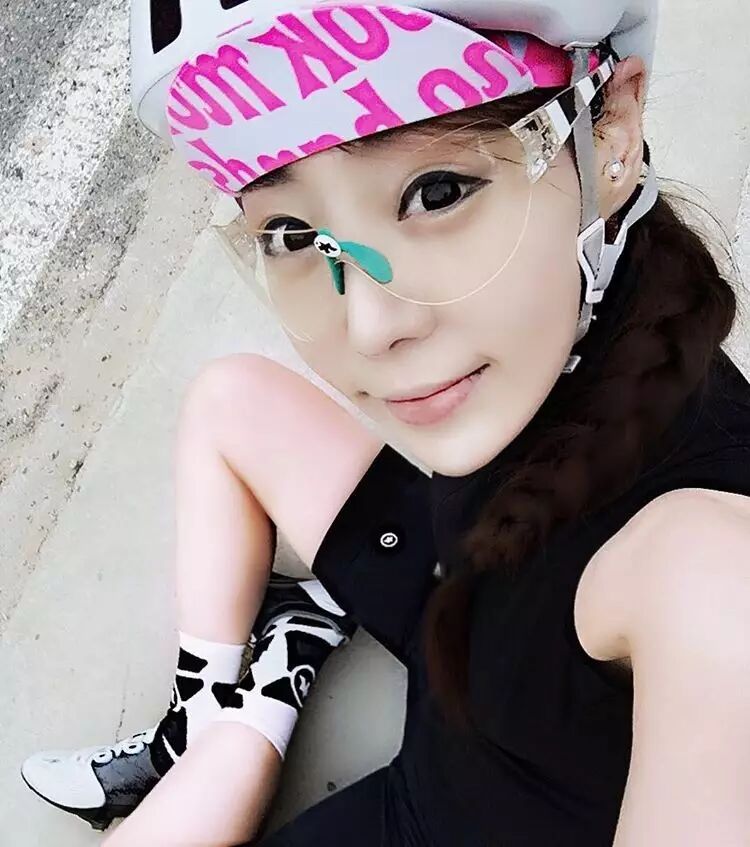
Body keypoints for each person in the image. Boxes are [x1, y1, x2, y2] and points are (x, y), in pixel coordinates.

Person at [21, 0, 750, 844]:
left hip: (440, 813)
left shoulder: (706, 580)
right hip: (465, 617)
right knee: (232, 400)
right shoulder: (579, 340)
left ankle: (242, 736)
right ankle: (215, 711)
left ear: (611, 129)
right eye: (290, 231)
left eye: (437, 192)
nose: (369, 327)